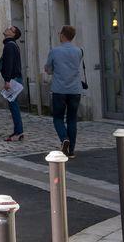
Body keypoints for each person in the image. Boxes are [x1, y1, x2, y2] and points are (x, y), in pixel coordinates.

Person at [45, 25, 83, 157]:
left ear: (62, 35)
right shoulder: (78, 51)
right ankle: (71, 150)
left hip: (59, 89)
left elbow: (48, 69)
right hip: (75, 89)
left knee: (58, 118)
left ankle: (64, 138)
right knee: (72, 119)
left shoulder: (55, 51)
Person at [0, 25, 24, 142]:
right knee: (13, 107)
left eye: (11, 29)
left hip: (13, 80)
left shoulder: (9, 46)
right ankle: (18, 132)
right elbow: (9, 61)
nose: (7, 29)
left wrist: (7, 80)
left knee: (14, 107)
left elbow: (10, 64)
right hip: (14, 79)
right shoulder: (11, 45)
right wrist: (0, 60)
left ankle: (18, 133)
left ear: (13, 35)